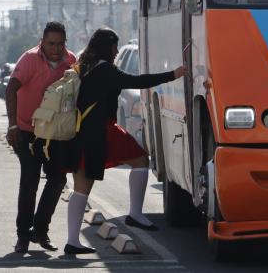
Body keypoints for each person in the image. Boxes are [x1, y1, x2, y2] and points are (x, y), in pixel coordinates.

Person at [62, 28, 186, 255]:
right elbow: (137, 81)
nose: (117, 51)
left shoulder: (83, 67)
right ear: (108, 48)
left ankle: (72, 241)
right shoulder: (105, 70)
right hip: (101, 131)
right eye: (115, 46)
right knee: (140, 159)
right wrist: (173, 74)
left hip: (79, 133)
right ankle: (135, 214)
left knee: (81, 189)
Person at [5, 21, 77, 253]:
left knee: (58, 179)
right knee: (30, 181)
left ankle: (40, 230)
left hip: (55, 133)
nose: (55, 49)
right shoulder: (29, 59)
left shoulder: (71, 61)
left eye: (60, 44)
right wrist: (13, 124)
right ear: (42, 42)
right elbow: (10, 89)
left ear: (65, 43)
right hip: (27, 131)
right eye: (51, 44)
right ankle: (23, 235)